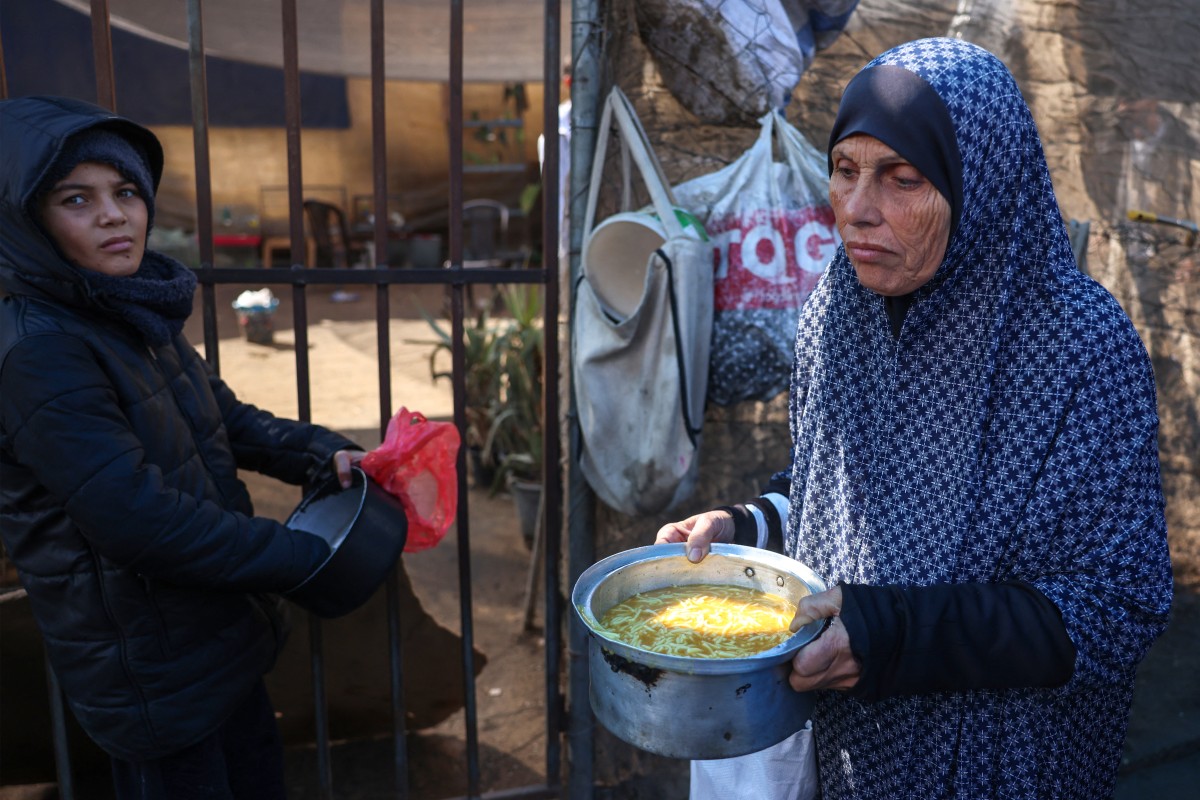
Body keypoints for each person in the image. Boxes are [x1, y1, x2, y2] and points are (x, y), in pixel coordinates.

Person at [656, 37, 1173, 799]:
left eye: (902, 179)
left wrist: (887, 634)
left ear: (980, 186)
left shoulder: (1076, 345)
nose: (859, 211)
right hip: (852, 749)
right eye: (844, 170)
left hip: (999, 762)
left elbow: (1118, 602)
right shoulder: (840, 309)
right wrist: (745, 527)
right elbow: (829, 489)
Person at [0, 95, 364, 799]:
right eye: (77, 198)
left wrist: (319, 452)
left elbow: (220, 416)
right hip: (148, 671)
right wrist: (297, 558)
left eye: (126, 191)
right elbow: (137, 519)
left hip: (214, 639)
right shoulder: (40, 353)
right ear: (26, 221)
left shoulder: (124, 307)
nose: (114, 214)